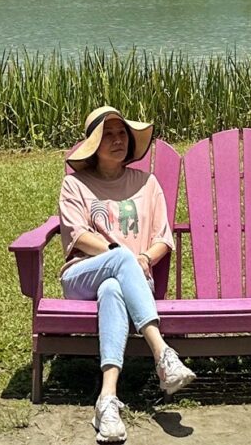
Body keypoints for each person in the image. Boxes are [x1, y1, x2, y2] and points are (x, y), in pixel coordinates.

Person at [59, 105, 196, 442]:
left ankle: (107, 402)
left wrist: (144, 258)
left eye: (122, 134)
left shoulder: (147, 184)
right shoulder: (74, 185)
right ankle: (162, 353)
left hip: (129, 280)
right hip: (80, 275)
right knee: (118, 264)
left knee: (112, 289)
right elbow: (78, 235)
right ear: (93, 144)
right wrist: (121, 257)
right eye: (108, 134)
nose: (118, 140)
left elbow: (164, 237)